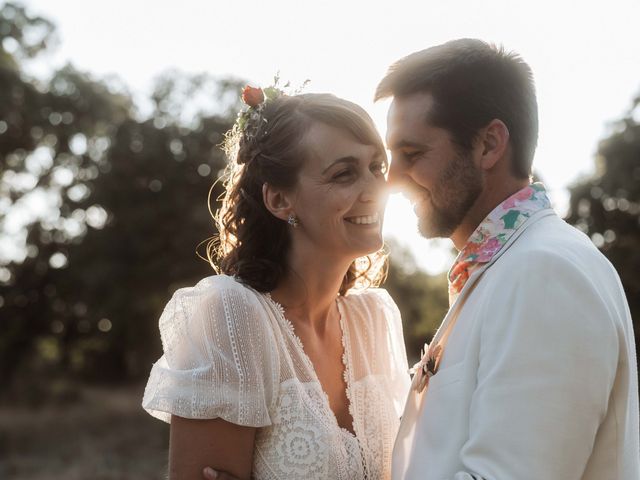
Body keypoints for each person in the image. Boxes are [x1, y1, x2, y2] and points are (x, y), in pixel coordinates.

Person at [376, 39, 640, 479]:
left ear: (489, 144)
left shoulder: (547, 272)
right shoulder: (508, 266)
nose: (391, 179)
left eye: (411, 154)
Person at [142, 88, 411, 479]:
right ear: (280, 200)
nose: (374, 190)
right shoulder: (234, 317)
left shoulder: (374, 318)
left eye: (377, 168)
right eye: (344, 174)